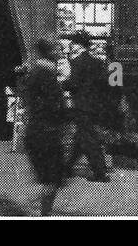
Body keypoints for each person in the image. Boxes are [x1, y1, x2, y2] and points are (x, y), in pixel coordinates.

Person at [19, 38, 68, 216]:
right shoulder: (46, 75)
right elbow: (55, 105)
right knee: (51, 179)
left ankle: (41, 212)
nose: (59, 52)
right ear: (48, 52)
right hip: (46, 132)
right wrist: (66, 115)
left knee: (47, 179)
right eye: (56, 49)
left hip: (37, 130)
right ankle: (43, 214)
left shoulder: (37, 72)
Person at [62, 30, 110, 182]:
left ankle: (100, 173)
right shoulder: (98, 62)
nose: (71, 45)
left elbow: (73, 83)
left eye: (73, 42)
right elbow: (105, 83)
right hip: (95, 105)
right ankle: (67, 168)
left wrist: (62, 84)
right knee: (81, 137)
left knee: (88, 139)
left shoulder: (77, 62)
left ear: (77, 44)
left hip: (82, 106)